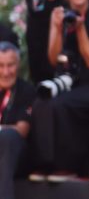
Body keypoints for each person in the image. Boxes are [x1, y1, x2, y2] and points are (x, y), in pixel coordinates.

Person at [31, 0, 89, 179]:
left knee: (62, 105)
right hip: (69, 79)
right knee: (41, 102)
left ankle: (71, 167)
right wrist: (57, 29)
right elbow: (53, 58)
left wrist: (80, 28)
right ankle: (45, 164)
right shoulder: (58, 14)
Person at [0, 42, 35, 199]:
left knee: (8, 136)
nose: (6, 72)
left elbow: (22, 129)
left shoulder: (26, 90)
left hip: (17, 155)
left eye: (10, 65)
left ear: (18, 64)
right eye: (0, 66)